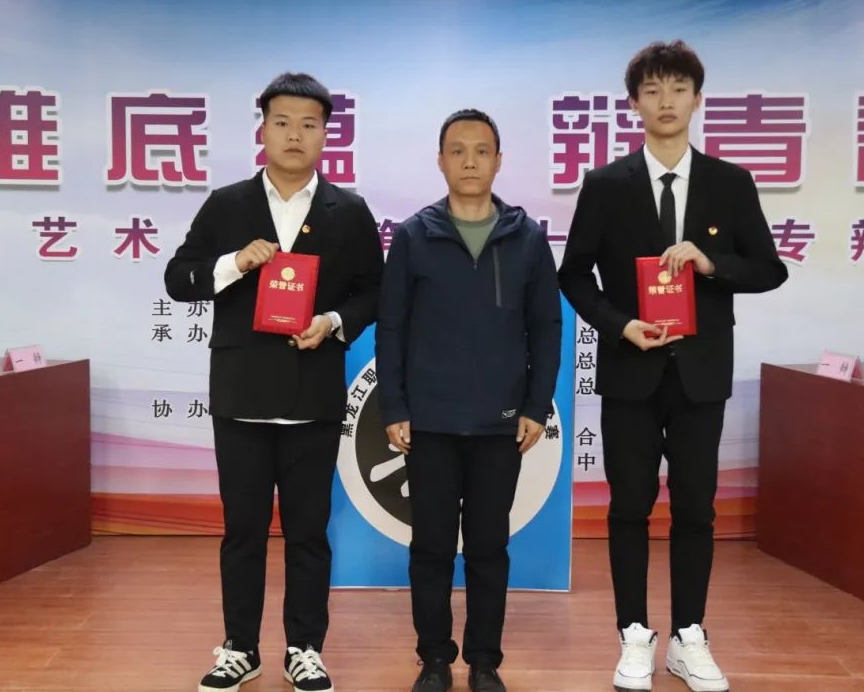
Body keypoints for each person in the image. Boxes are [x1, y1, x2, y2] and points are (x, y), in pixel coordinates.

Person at [558, 41, 788, 692]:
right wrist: (620, 325)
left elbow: (769, 268)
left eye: (678, 89)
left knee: (695, 508)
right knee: (629, 506)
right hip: (631, 370)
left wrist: (711, 264)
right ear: (634, 104)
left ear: (697, 99)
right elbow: (573, 275)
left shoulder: (729, 182)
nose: (666, 101)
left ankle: (690, 635)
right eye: (653, 90)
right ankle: (634, 634)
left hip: (701, 373)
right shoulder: (606, 185)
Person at [164, 72, 384, 692]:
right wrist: (235, 263)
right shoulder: (227, 204)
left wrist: (333, 323)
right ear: (262, 130)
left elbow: (375, 292)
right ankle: (240, 647)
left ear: (326, 135)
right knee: (243, 531)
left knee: (309, 533)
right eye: (282, 122)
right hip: (241, 394)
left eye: (309, 124)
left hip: (313, 395)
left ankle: (304, 648)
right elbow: (178, 278)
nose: (294, 134)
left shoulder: (349, 211)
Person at [377, 109, 562, 692]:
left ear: (499, 161)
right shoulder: (414, 236)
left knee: (488, 547)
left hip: (499, 424)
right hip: (429, 421)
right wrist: (394, 406)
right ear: (440, 161)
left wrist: (536, 405)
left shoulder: (527, 238)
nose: (470, 162)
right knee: (430, 547)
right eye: (457, 151)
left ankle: (484, 661)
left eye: (482, 151)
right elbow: (391, 327)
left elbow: (547, 327)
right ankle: (435, 659)